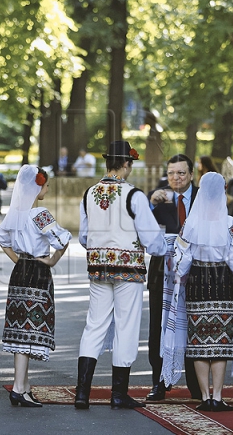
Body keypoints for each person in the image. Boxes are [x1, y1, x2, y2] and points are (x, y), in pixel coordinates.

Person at [74, 141, 167, 410]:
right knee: (126, 325)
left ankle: (82, 393)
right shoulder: (133, 195)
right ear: (127, 164)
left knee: (95, 324)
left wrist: (103, 247)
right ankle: (118, 393)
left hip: (98, 268)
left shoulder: (89, 194)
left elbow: (83, 236)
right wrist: (163, 248)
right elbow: (152, 239)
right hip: (129, 270)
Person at [167, 172, 233, 412]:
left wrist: (179, 278)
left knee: (198, 341)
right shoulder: (231, 224)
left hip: (197, 282)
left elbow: (181, 259)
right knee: (221, 341)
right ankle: (218, 395)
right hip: (222, 283)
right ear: (223, 190)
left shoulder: (191, 224)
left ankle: (204, 397)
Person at [0, 165, 71, 407]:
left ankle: (23, 386)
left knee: (20, 327)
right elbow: (62, 239)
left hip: (20, 272)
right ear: (38, 188)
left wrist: (20, 261)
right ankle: (18, 388)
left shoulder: (15, 213)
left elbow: (0, 238)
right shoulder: (40, 214)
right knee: (30, 327)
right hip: (38, 272)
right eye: (46, 185)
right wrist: (51, 260)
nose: (47, 188)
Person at [145, 155, 200, 401]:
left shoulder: (203, 197)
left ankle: (195, 383)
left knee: (193, 326)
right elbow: (141, 229)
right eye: (171, 173)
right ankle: (159, 381)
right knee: (158, 326)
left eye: (181, 173)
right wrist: (150, 205)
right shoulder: (158, 197)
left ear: (191, 174)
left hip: (197, 273)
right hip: (161, 273)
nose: (175, 178)